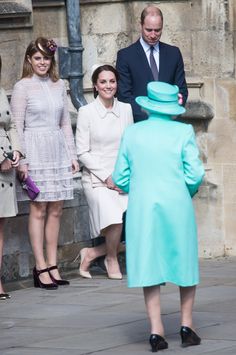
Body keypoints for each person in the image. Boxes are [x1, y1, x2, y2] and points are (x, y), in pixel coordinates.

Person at [112, 81, 205, 351]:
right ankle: (187, 326)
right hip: (177, 203)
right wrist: (185, 189)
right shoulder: (183, 131)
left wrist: (138, 187)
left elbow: (120, 176)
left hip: (144, 206)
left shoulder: (132, 133)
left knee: (149, 265)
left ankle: (156, 331)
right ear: (171, 107)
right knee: (185, 262)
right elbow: (195, 173)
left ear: (149, 104)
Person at [10, 37, 79, 290]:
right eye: (37, 58)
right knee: (38, 208)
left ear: (52, 61)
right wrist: (22, 161)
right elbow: (17, 125)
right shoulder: (22, 87)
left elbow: (64, 123)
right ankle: (40, 267)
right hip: (34, 149)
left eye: (46, 58)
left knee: (56, 208)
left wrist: (72, 155)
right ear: (30, 59)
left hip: (57, 148)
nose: (42, 63)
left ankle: (53, 264)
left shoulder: (59, 84)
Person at [75, 64, 133, 280]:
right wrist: (106, 177)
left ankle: (91, 253)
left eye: (112, 81)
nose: (108, 86)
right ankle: (110, 258)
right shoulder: (86, 112)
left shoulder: (125, 109)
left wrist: (122, 177)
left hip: (121, 177)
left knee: (140, 219)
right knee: (115, 217)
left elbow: (129, 147)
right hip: (96, 179)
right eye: (103, 82)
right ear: (95, 86)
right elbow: (82, 151)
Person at [116, 5, 188, 122]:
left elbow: (181, 91)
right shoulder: (125, 56)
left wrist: (169, 115)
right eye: (149, 30)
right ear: (141, 26)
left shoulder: (174, 53)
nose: (153, 35)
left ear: (162, 27)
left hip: (168, 122)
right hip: (139, 124)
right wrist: (151, 117)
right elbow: (124, 96)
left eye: (157, 30)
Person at [0, 55, 22, 300]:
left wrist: (16, 150)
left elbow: (11, 124)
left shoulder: (0, 90)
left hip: (7, 166)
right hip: (0, 163)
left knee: (1, 226)